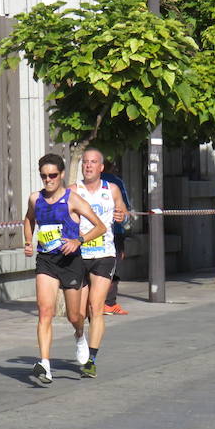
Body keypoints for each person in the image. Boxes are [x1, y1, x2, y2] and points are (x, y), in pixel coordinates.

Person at [23, 154, 106, 385]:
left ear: (60, 175)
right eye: (43, 176)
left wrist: (79, 240)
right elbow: (29, 220)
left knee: (74, 315)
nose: (48, 180)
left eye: (52, 175)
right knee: (45, 311)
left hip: (70, 263)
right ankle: (45, 364)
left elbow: (100, 227)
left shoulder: (73, 200)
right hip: (47, 261)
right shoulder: (35, 199)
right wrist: (29, 242)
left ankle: (80, 335)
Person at [71, 149, 128, 378]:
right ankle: (79, 337)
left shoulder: (111, 189)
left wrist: (121, 216)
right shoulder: (74, 191)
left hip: (104, 254)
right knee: (76, 314)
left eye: (93, 162)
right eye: (85, 162)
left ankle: (91, 360)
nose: (88, 166)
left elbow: (122, 210)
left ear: (101, 167)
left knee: (96, 307)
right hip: (78, 254)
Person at [101, 159, 132, 316]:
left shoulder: (83, 185)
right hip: (114, 231)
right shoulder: (115, 182)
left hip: (90, 232)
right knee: (114, 265)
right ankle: (109, 303)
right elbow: (125, 207)